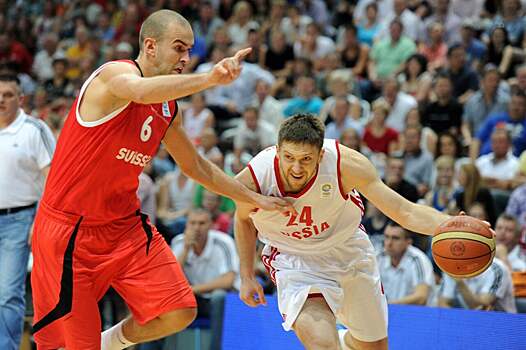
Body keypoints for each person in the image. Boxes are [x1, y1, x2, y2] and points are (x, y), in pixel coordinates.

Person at [30, 10, 292, 350]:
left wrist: (252, 198)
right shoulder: (114, 75)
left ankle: (107, 343)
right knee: (63, 345)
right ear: (150, 46)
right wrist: (208, 79)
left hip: (123, 228)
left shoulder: (169, 108)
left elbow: (197, 166)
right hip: (70, 234)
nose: (186, 58)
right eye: (179, 49)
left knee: (179, 310)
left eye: (190, 50)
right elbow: (137, 91)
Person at [233, 114, 477, 350]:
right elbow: (243, 219)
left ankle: (345, 341)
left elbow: (404, 211)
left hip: (349, 252)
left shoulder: (345, 165)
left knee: (374, 347)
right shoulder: (255, 178)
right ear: (277, 151)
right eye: (288, 157)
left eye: (306, 159)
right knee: (322, 345)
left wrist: (450, 224)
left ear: (320, 155)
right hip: (296, 262)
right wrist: (246, 275)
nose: (296, 168)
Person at [0, 75, 55, 350]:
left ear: (20, 99)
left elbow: (53, 178)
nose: (1, 100)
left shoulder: (34, 129)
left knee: (8, 292)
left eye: (8, 95)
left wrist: (40, 220)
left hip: (21, 219)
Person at [171, 209, 239, 350]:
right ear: (186, 225)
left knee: (218, 296)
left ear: (211, 225)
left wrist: (192, 290)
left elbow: (228, 281)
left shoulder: (223, 242)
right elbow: (169, 280)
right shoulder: (178, 243)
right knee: (165, 299)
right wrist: (185, 250)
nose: (196, 227)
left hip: (217, 300)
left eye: (202, 223)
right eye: (192, 223)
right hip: (191, 300)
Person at [377, 222, 435, 305]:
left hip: (417, 314)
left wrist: (387, 305)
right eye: (386, 237)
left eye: (395, 238)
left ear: (408, 242)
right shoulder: (379, 257)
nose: (389, 243)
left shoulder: (417, 259)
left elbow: (421, 297)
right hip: (389, 312)